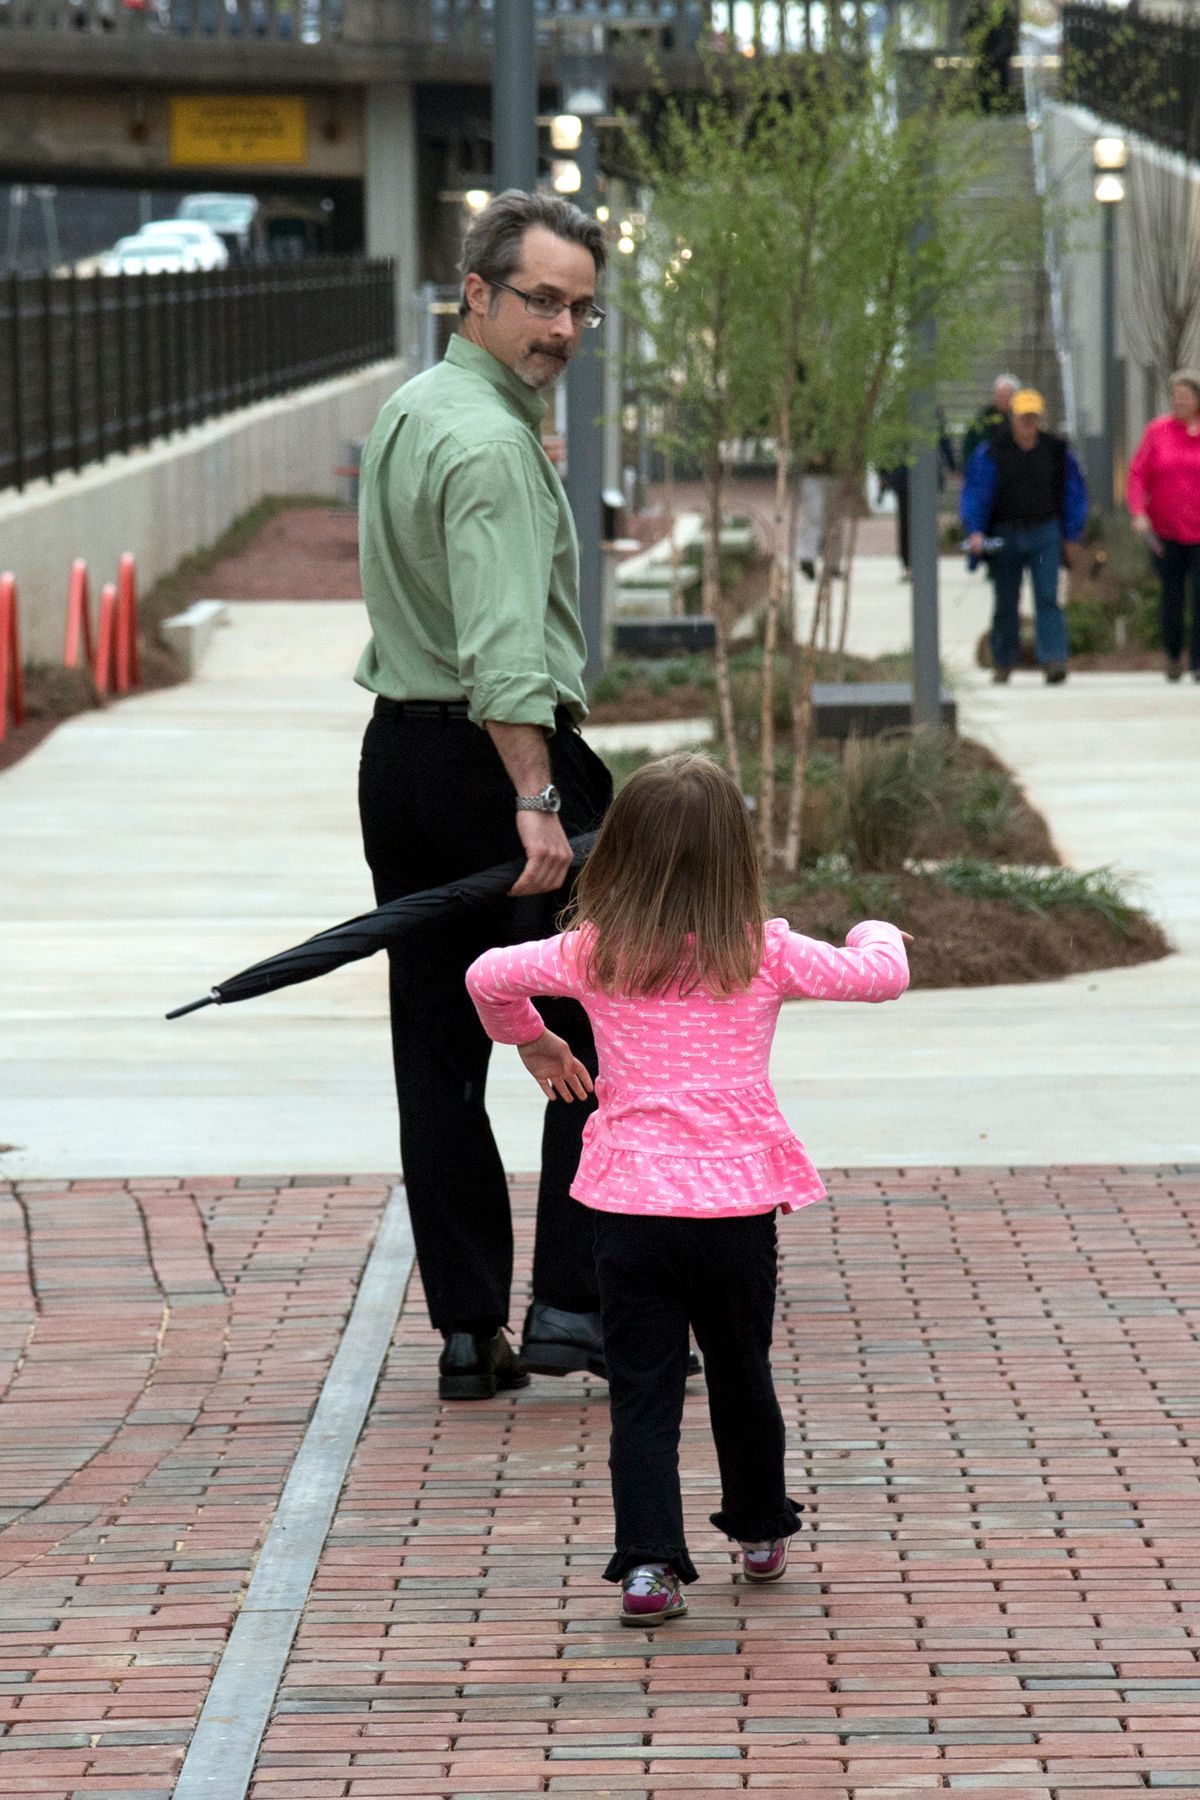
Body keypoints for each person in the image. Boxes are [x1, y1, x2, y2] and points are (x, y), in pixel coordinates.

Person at [465, 754, 910, 1626]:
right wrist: (875, 929)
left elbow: (488, 973)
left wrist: (533, 1043)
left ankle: (648, 1568)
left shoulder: (597, 951)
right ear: (733, 857)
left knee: (642, 1392)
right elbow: (881, 977)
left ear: (622, 852)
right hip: (735, 1210)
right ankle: (757, 1530)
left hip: (630, 1210)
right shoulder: (763, 950)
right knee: (743, 1373)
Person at [355, 189, 615, 1402]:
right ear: (476, 293)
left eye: (581, 307)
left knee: (439, 1049)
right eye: (541, 300)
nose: (562, 325)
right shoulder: (497, 446)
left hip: (399, 762)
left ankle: (469, 1333)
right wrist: (535, 797)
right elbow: (505, 651)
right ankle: (572, 1300)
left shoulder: (415, 409)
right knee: (600, 1023)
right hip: (496, 766)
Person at [961, 387, 1088, 684]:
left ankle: (1054, 660)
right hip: (1005, 535)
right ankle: (1003, 660)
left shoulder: (1056, 451)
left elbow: (1074, 493)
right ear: (1012, 417)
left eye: (1033, 417)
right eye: (1022, 417)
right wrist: (975, 530)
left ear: (1040, 417)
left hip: (1045, 533)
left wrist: (1071, 535)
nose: (1028, 423)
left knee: (1047, 597)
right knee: (1006, 600)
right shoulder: (992, 451)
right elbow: (976, 493)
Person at [1127, 368, 1200, 681]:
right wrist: (1138, 513)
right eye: (1174, 396)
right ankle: (1173, 656)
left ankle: (1197, 662)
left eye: (1185, 396)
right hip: (1166, 531)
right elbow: (1136, 474)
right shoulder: (1158, 431)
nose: (1178, 401)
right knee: (1172, 596)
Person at [961, 371, 1020, 471]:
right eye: (1000, 395)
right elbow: (970, 443)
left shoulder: (1019, 418)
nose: (1003, 399)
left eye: (1007, 396)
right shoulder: (985, 417)